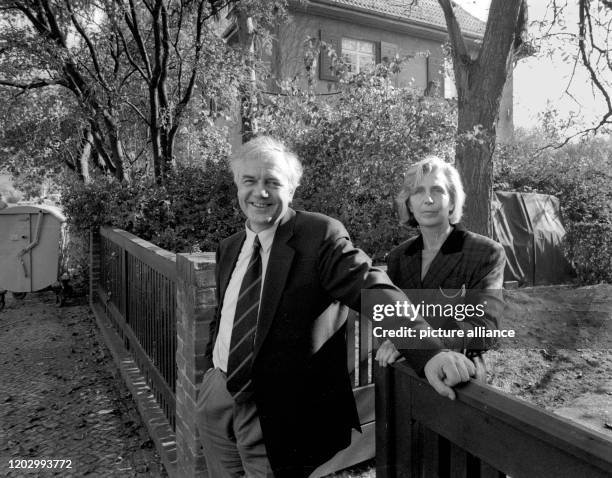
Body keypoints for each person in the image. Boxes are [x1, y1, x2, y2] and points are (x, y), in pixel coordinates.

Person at [197, 137, 478, 478]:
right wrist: (211, 368)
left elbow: (370, 287)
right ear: (237, 185)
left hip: (275, 411)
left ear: (292, 188)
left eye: (273, 182)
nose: (261, 192)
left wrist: (429, 351)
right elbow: (225, 312)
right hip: (217, 395)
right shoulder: (229, 247)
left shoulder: (318, 235)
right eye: (250, 181)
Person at [376, 156, 506, 380]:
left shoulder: (485, 252)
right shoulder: (399, 256)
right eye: (418, 192)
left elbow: (485, 328)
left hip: (460, 375)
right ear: (408, 203)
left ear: (453, 202)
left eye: (437, 190)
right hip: (405, 372)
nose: (428, 200)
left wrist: (415, 342)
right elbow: (389, 317)